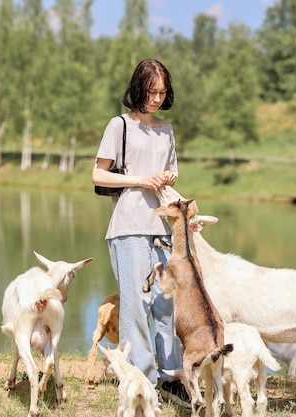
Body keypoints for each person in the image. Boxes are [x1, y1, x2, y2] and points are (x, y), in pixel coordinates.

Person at [92, 59, 190, 407]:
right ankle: (143, 379)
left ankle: (171, 378)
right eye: (151, 92)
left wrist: (166, 178)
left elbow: (171, 170)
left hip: (162, 226)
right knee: (136, 305)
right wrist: (139, 179)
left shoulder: (166, 129)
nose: (157, 98)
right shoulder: (119, 126)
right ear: (138, 89)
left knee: (167, 305)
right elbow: (98, 175)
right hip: (129, 224)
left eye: (162, 92)